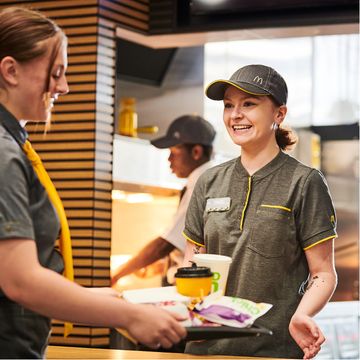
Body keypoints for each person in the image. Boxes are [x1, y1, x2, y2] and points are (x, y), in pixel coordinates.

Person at [0, 7, 186, 358]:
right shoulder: (3, 154)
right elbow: (20, 281)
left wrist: (105, 298)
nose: (64, 88)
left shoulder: (13, 146)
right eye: (56, 73)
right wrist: (129, 315)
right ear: (10, 71)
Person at [182, 64, 337, 359]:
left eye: (249, 104)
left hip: (273, 349)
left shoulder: (304, 182)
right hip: (204, 350)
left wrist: (303, 314)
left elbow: (323, 273)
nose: (235, 115)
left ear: (279, 114)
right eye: (229, 105)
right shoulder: (208, 181)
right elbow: (191, 260)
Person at [111, 115, 216, 286]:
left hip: (191, 287)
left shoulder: (202, 184)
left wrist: (117, 274)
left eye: (173, 152)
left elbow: (164, 244)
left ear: (196, 152)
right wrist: (163, 265)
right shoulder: (207, 180)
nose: (169, 160)